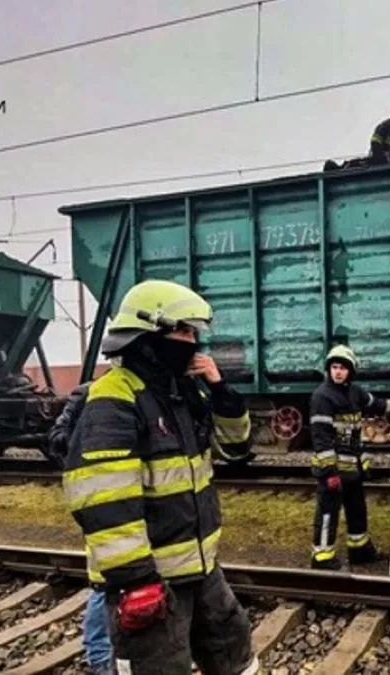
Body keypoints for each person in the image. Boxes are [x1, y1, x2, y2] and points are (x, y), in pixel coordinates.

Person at [63, 279, 258, 675]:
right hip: (153, 580)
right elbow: (104, 500)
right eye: (184, 331)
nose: (192, 342)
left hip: (202, 568)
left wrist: (220, 390)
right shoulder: (115, 398)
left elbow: (236, 448)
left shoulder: (181, 392)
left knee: (235, 657)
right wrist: (137, 582)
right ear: (150, 335)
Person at [309, 344, 390, 570]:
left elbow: (376, 404)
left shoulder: (356, 392)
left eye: (343, 368)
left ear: (351, 371)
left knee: (357, 510)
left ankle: (360, 550)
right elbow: (321, 438)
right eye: (334, 367)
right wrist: (330, 473)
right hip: (333, 472)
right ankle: (322, 557)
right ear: (329, 370)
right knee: (328, 513)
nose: (338, 372)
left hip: (352, 471)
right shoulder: (322, 396)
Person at [48, 383, 113, 675]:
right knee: (104, 581)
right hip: (100, 496)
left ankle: (103, 654)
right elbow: (60, 439)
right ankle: (100, 659)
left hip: (111, 494)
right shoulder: (91, 394)